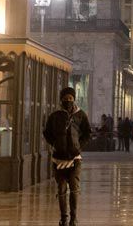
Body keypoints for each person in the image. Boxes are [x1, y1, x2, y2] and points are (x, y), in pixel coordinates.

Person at [42, 86, 92, 226]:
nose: (68, 101)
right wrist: (55, 143)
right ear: (61, 100)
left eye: (70, 98)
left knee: (74, 188)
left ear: (74, 99)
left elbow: (88, 133)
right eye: (65, 99)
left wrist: (79, 146)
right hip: (58, 159)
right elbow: (47, 133)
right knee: (62, 189)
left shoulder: (80, 115)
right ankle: (64, 217)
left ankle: (73, 218)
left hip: (75, 159)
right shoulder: (55, 115)